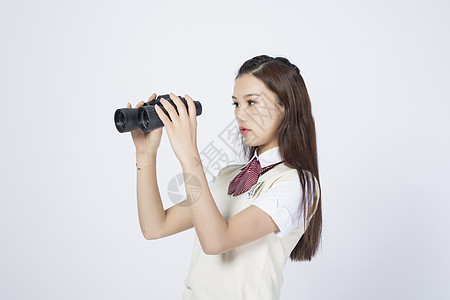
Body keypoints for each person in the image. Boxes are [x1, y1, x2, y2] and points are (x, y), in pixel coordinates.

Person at [126, 55, 322, 300]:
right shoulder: (230, 176)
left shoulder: (297, 184)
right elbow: (156, 227)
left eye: (252, 102)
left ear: (286, 106)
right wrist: (146, 153)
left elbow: (217, 241)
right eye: (236, 104)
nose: (240, 114)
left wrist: (189, 156)